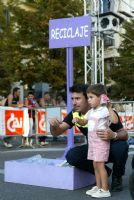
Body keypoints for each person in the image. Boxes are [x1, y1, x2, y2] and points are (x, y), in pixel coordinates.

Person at [49, 83, 128, 192]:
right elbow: (57, 132)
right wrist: (53, 125)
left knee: (122, 146)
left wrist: (113, 135)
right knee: (72, 155)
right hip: (94, 147)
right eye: (72, 98)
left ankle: (117, 176)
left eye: (78, 98)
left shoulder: (105, 112)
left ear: (88, 99)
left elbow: (124, 134)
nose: (74, 102)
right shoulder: (75, 114)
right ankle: (104, 171)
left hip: (110, 146)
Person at [72, 84, 118, 198]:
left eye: (91, 97)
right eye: (88, 97)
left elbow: (115, 121)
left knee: (100, 165)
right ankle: (98, 187)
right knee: (95, 164)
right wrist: (77, 120)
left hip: (101, 142)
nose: (89, 100)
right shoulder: (90, 111)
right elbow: (84, 122)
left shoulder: (104, 110)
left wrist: (109, 107)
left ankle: (105, 189)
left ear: (101, 97)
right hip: (92, 142)